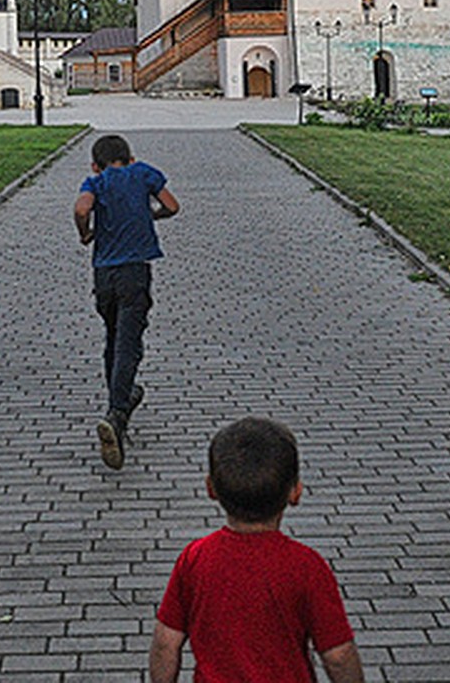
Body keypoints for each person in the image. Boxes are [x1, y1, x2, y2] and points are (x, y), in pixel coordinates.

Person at [149, 417, 364, 683]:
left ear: (211, 489)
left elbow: (165, 643)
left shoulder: (195, 558)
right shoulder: (307, 567)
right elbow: (338, 656)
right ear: (295, 492)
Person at [74, 133, 179, 470]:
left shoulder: (95, 181)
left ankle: (121, 400)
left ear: (95, 163)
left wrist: (85, 232)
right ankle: (117, 414)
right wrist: (152, 215)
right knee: (129, 344)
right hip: (135, 272)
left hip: (104, 274)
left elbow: (81, 208)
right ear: (131, 158)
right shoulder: (144, 173)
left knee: (113, 336)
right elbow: (173, 206)